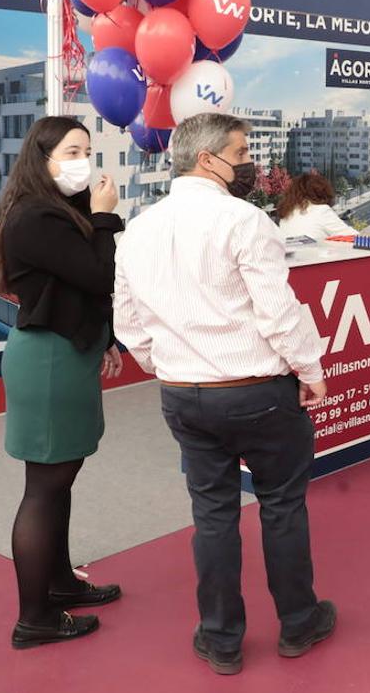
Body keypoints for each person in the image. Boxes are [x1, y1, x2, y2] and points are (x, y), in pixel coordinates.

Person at [113, 113, 336, 675]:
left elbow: (128, 320)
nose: (248, 164)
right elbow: (278, 311)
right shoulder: (244, 221)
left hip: (183, 395)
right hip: (257, 390)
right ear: (208, 158)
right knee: (282, 505)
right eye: (241, 153)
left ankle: (221, 639)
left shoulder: (137, 228)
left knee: (211, 514)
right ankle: (298, 623)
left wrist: (165, 364)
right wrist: (310, 369)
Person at [0, 116, 124, 649]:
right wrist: (107, 218)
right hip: (48, 361)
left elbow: (76, 289)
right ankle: (35, 618)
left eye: (87, 149)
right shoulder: (37, 217)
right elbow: (99, 274)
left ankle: (62, 584)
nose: (83, 160)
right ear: (41, 158)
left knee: (59, 480)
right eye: (72, 150)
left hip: (65, 352)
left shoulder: (53, 212)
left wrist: (104, 336)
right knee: (45, 488)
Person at [276, 172, 359, 240]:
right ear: (322, 192)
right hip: (316, 258)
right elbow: (354, 237)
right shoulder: (321, 211)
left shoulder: (286, 214)